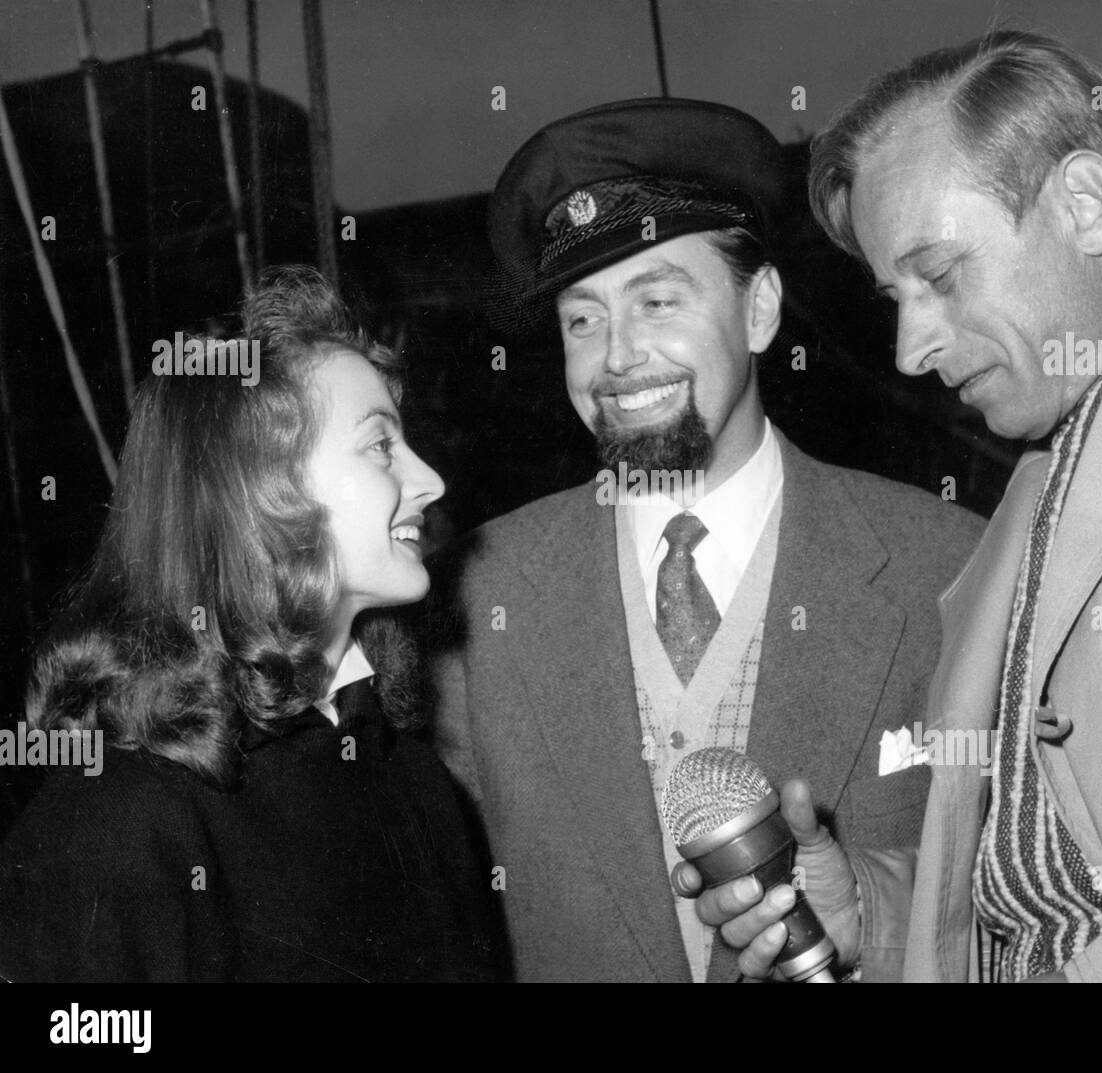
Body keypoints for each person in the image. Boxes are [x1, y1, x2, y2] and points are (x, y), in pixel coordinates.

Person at [700, 29, 1102, 982]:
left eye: (939, 278)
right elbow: (1044, 895)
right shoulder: (1026, 506)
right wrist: (875, 914)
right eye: (895, 297)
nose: (909, 349)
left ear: (1085, 202)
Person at [432, 98, 984, 982]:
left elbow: (1029, 904)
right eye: (583, 318)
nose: (617, 356)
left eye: (657, 300)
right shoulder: (470, 600)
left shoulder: (953, 566)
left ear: (760, 309)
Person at [0, 266, 507, 982]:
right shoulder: (116, 827)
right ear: (260, 488)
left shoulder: (411, 773)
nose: (430, 481)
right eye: (380, 445)